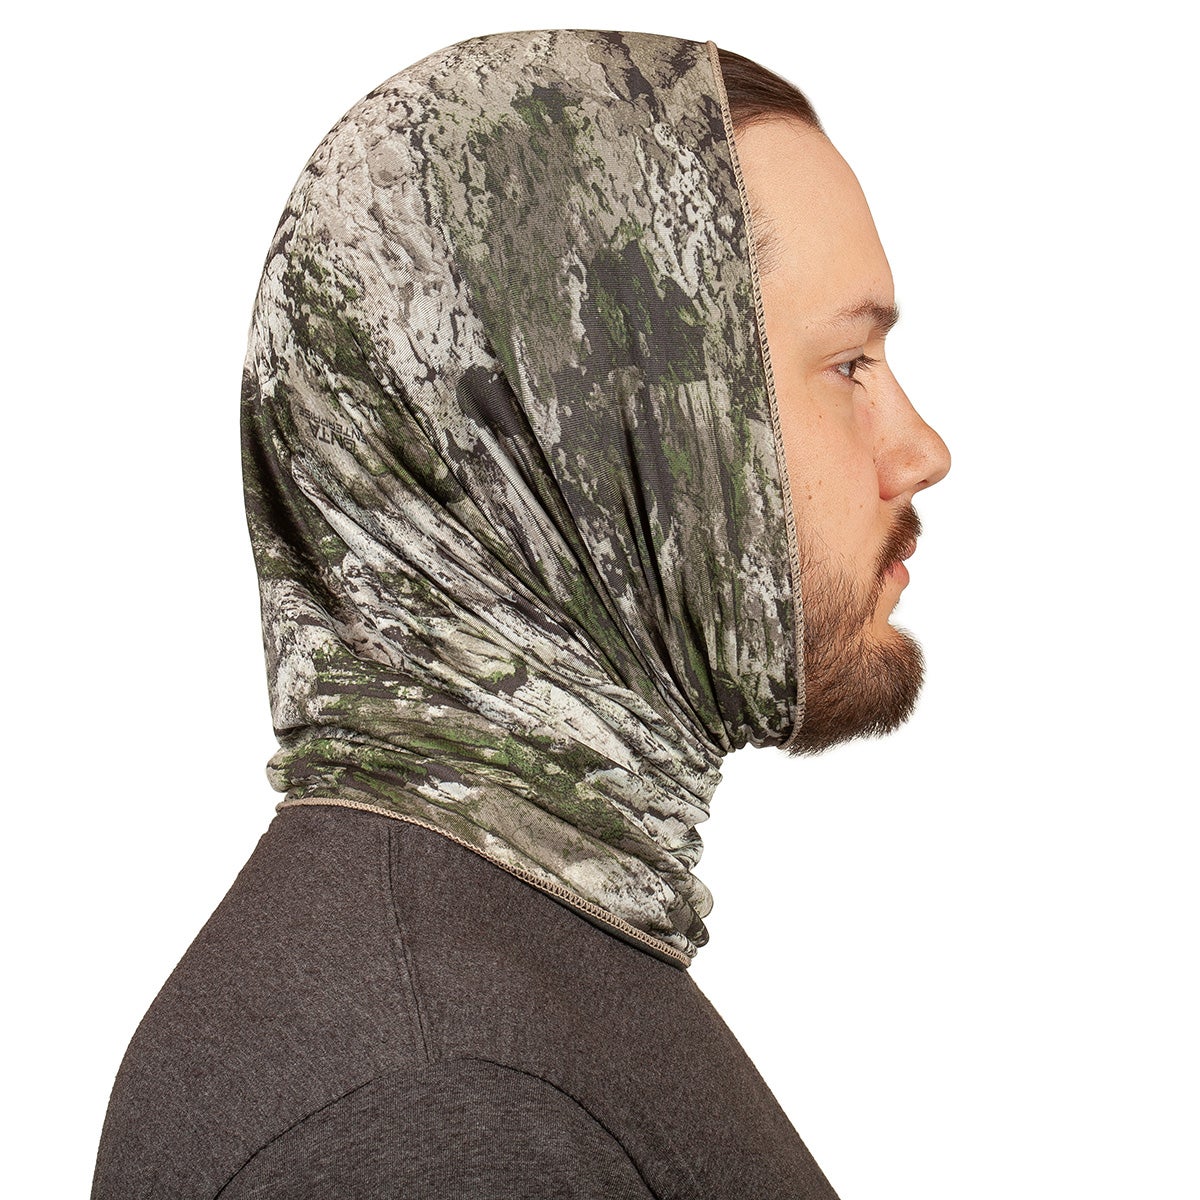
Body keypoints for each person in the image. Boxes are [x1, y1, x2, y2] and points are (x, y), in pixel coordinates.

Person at [91, 27, 949, 1199]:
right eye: (848, 365)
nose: (920, 449)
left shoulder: (507, 963)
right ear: (594, 433)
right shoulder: (438, 1107)